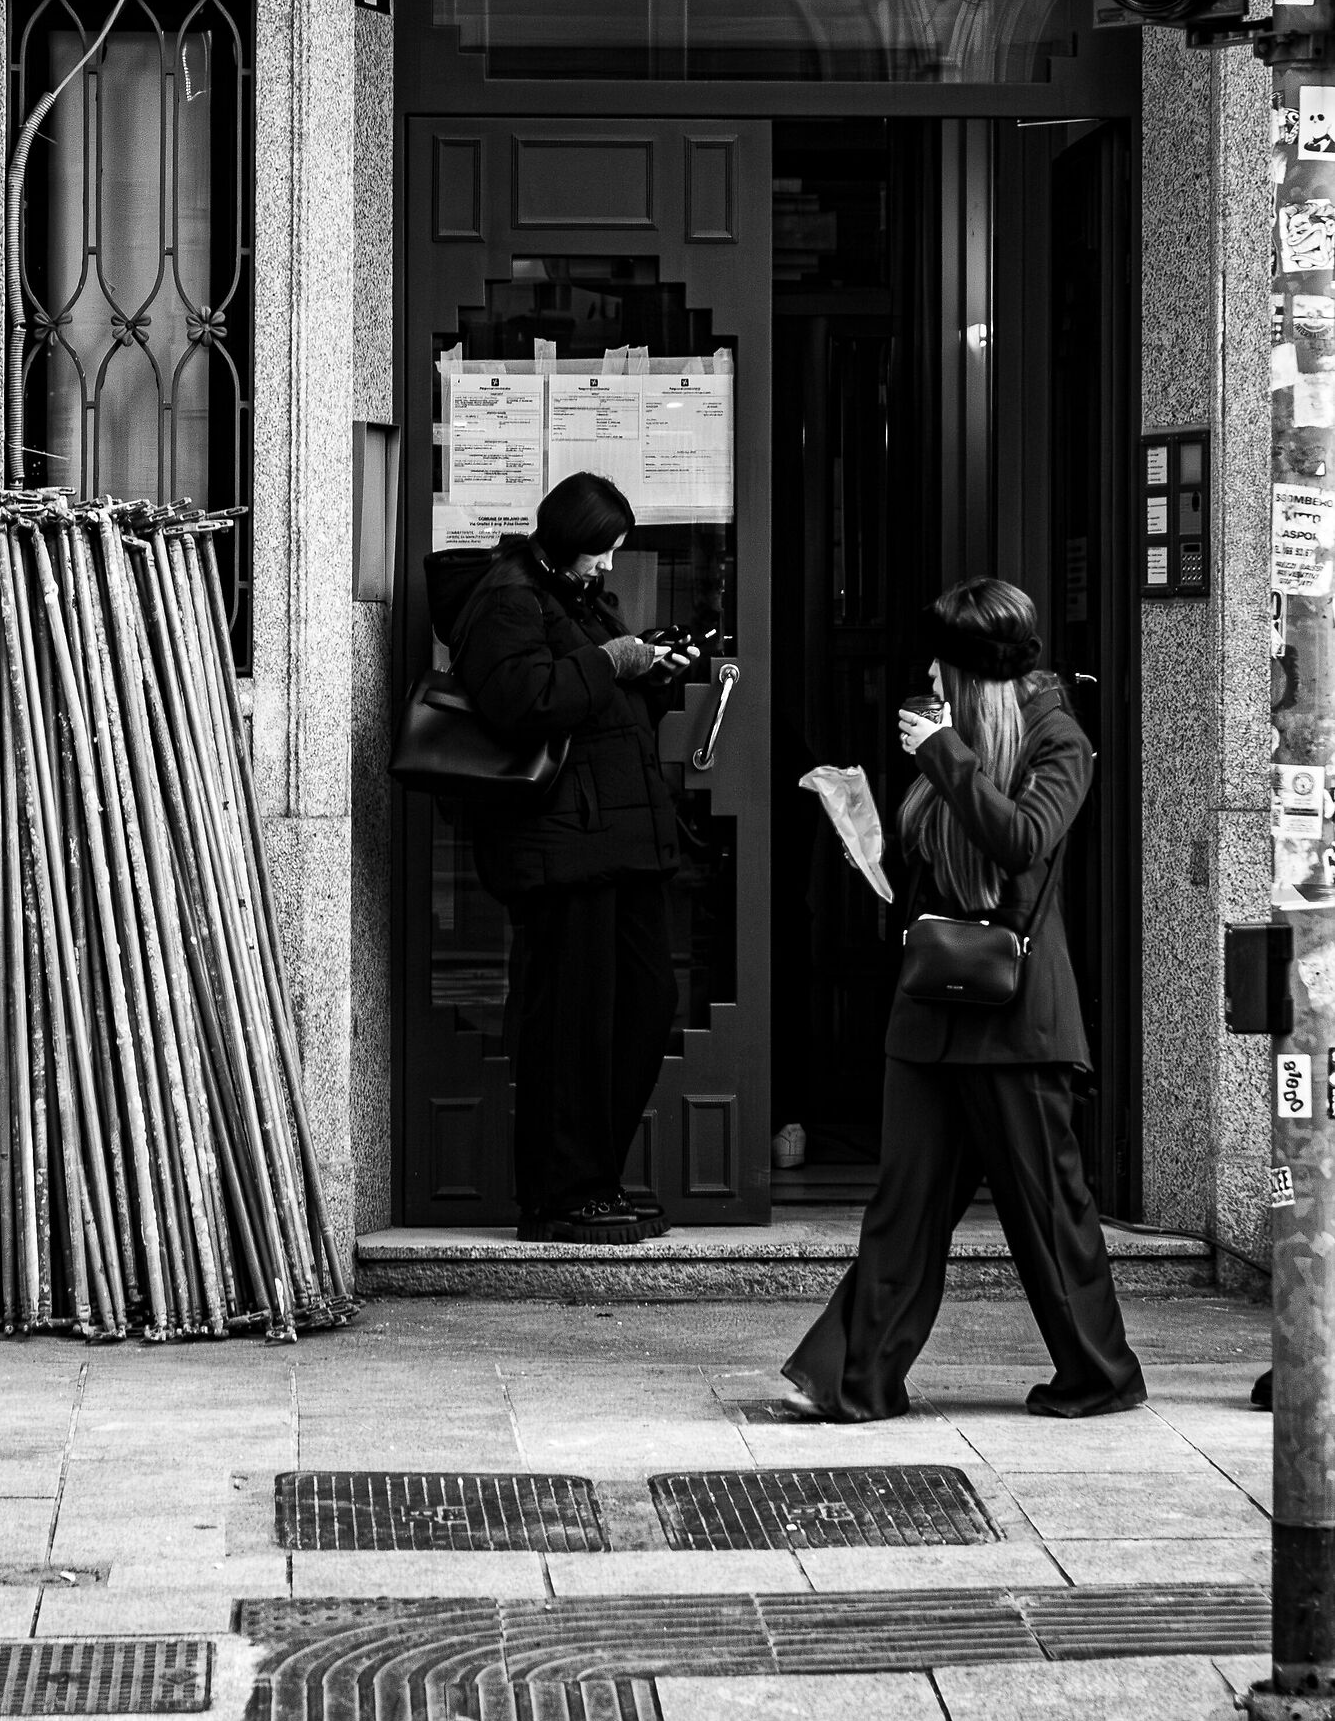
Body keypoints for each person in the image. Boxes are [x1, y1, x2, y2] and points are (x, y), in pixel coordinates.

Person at [781, 576, 1146, 1422]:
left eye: (943, 665)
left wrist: (945, 756)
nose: (930, 680)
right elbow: (939, 864)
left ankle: (1102, 1374)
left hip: (1017, 1016)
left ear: (973, 673)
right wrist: (866, 837)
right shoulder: (953, 739)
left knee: (1047, 1209)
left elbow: (1020, 843)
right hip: (931, 1005)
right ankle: (857, 1380)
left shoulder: (1059, 740)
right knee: (904, 1205)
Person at [444, 472, 694, 1245]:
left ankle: (597, 1179)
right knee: (569, 1027)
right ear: (563, 538)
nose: (608, 566)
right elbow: (520, 702)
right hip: (560, 848)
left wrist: (651, 675)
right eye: (599, 551)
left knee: (643, 1008)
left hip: (616, 841)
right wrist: (612, 663)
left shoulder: (576, 597)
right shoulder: (507, 595)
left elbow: (598, 714)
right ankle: (558, 1197)